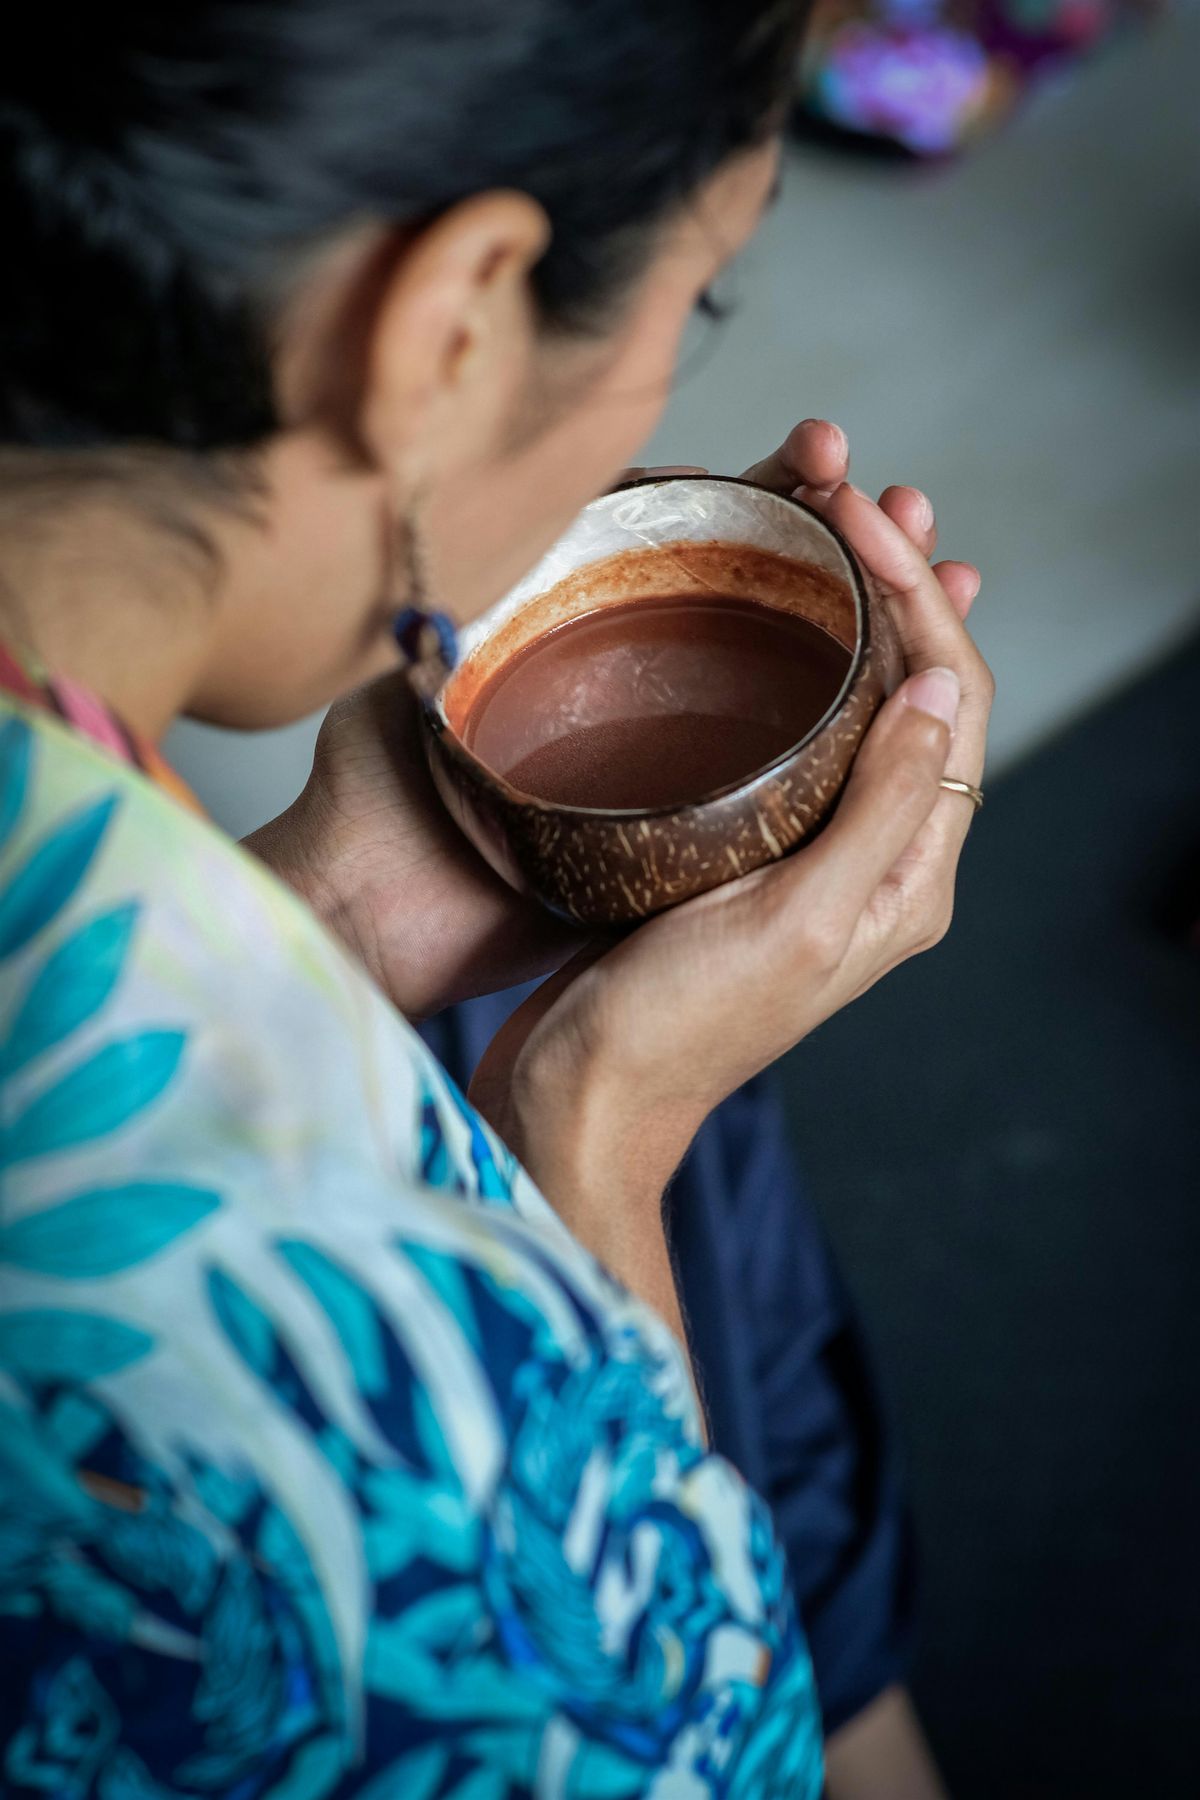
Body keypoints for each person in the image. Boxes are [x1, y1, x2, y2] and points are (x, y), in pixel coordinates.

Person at [0, 3, 992, 1795]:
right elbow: (679, 1753)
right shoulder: (381, 1428)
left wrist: (343, 907)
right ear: (448, 326)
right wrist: (600, 1124)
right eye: (693, 302)